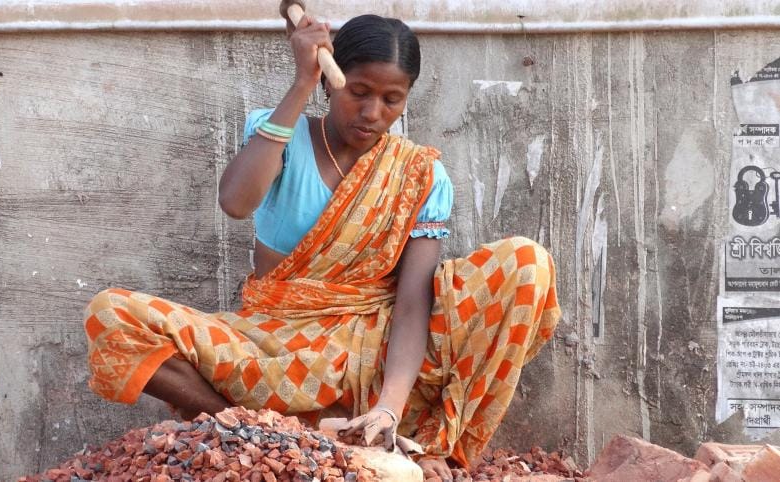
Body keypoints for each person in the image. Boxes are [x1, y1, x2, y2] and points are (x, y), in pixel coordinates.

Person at [83, 9, 561, 481]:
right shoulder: (281, 135)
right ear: (332, 81)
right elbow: (235, 202)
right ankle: (261, 432)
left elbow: (414, 301)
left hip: (373, 356)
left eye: (392, 99)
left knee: (526, 262)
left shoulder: (422, 175)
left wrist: (389, 406)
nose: (372, 113)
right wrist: (301, 83)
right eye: (359, 92)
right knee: (110, 315)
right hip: (271, 344)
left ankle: (383, 432)